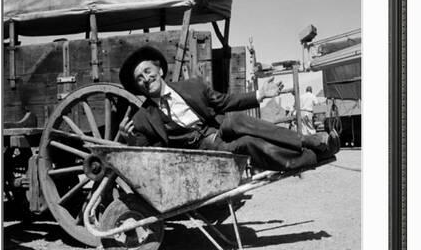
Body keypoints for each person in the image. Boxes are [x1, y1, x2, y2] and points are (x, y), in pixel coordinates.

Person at [117, 46, 339, 172]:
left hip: (219, 129)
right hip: (205, 152)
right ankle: (314, 156)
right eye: (140, 79)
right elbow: (145, 153)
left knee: (235, 120)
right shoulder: (142, 118)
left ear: (160, 71)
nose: (146, 79)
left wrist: (261, 94)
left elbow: (225, 102)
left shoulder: (192, 87)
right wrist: (129, 140)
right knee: (249, 144)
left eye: (148, 71)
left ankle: (306, 140)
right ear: (138, 87)